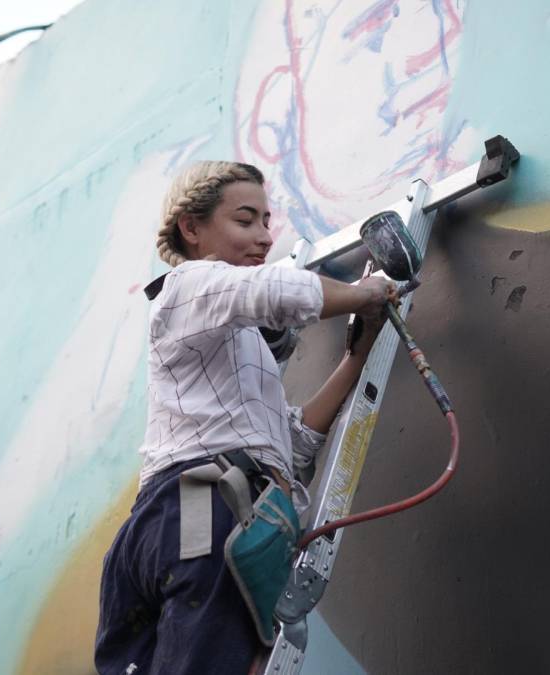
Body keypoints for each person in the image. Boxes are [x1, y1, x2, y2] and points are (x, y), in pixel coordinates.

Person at [95, 160, 396, 674]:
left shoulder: (231, 344)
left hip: (170, 524)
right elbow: (280, 293)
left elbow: (293, 444)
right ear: (192, 228)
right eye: (245, 220)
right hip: (198, 513)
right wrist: (368, 294)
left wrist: (355, 357)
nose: (263, 236)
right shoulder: (189, 285)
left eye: (266, 221)